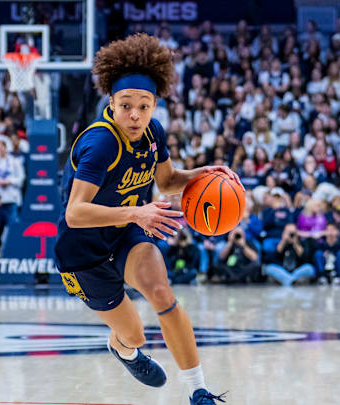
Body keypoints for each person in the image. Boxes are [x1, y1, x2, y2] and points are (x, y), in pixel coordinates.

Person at [54, 34, 232, 404]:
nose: (135, 115)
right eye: (126, 106)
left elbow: (166, 181)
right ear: (111, 102)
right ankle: (124, 350)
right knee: (134, 335)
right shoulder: (100, 143)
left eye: (144, 106)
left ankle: (198, 391)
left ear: (154, 105)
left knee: (162, 293)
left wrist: (202, 174)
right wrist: (137, 211)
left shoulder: (153, 133)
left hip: (125, 234)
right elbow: (75, 213)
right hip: (83, 253)